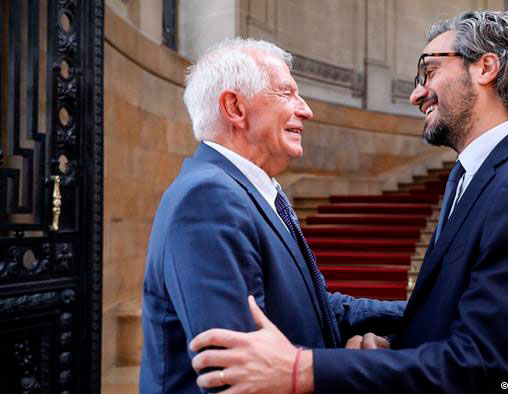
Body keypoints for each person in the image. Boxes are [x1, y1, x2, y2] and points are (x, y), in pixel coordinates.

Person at [188, 10, 508, 394]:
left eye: (429, 70)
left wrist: (304, 369)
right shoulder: (466, 175)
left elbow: (484, 365)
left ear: (485, 68)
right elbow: (453, 314)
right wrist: (395, 347)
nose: (417, 93)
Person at [139, 38, 405, 394]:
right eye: (286, 93)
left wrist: (427, 309)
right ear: (234, 107)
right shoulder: (208, 198)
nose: (306, 110)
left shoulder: (252, 191)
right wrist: (355, 367)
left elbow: (316, 307)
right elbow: (239, 374)